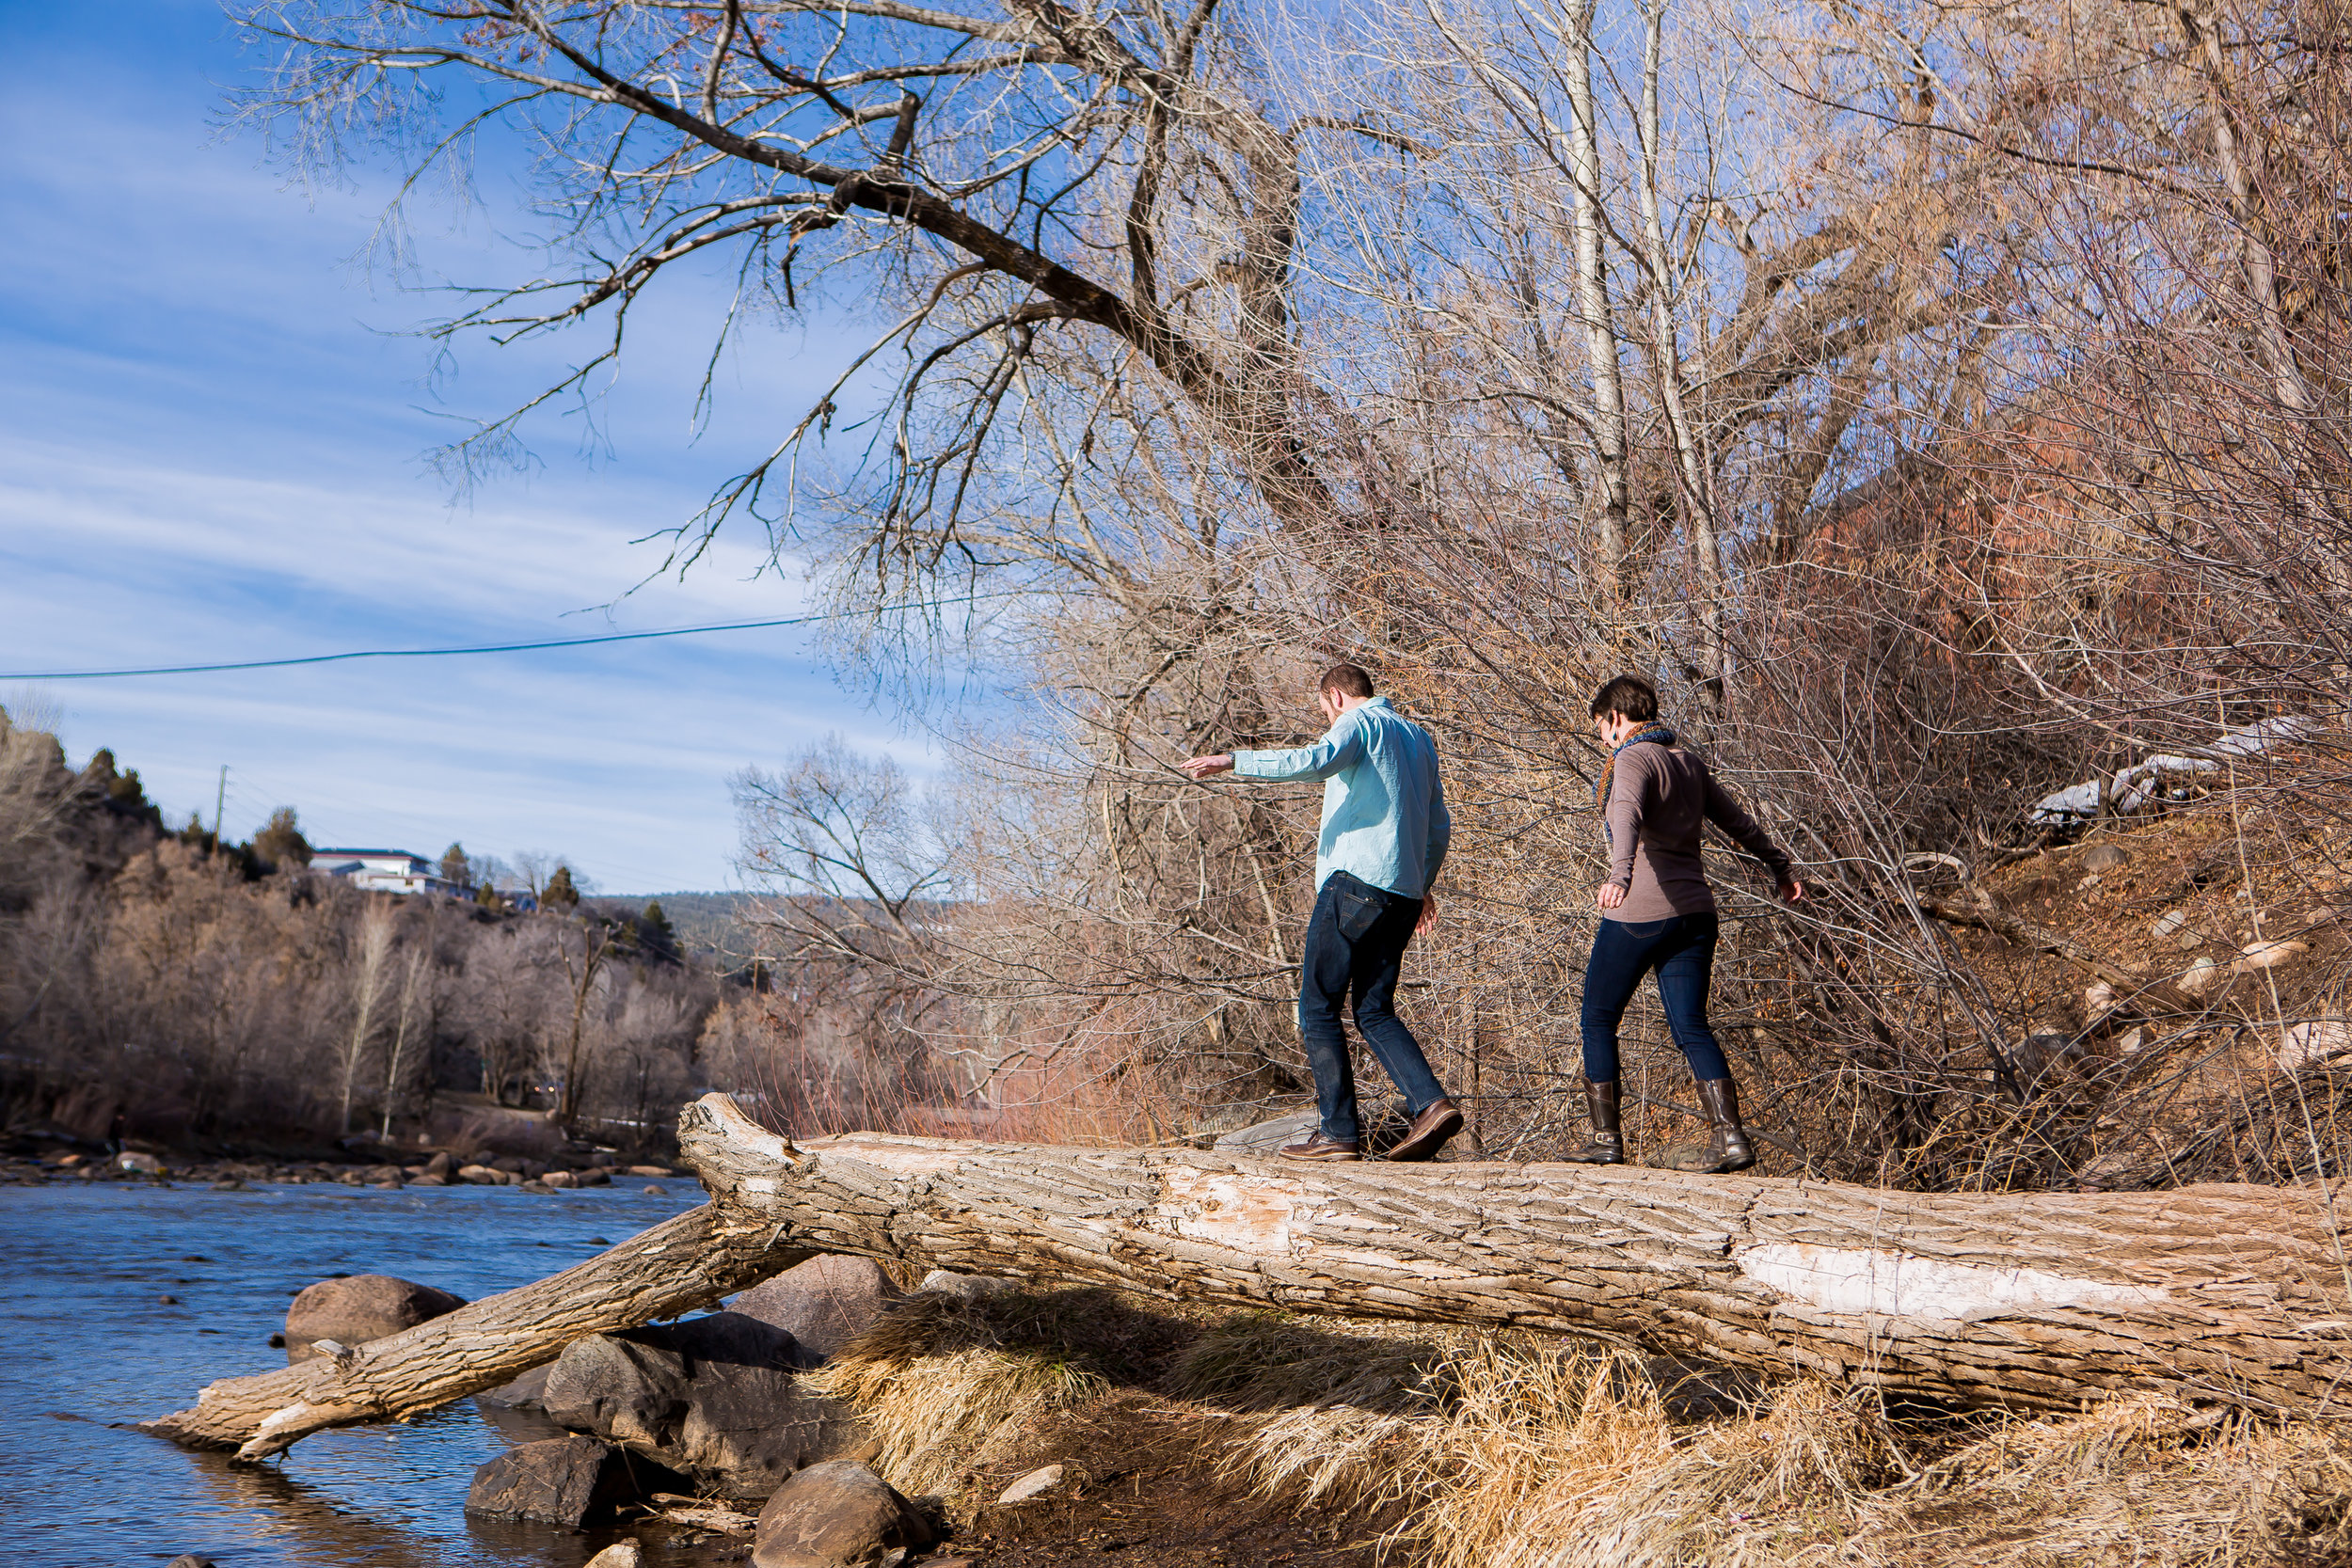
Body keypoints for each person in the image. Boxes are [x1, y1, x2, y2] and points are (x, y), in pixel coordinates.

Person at [1181, 663, 1463, 1163]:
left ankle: (1338, 1133)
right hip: (1402, 895)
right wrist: (1422, 885)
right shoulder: (1420, 739)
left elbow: (1314, 760)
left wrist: (1232, 760)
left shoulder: (1359, 724)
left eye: (1323, 711)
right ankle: (1432, 1104)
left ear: (1334, 696)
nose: (1326, 720)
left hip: (1354, 887)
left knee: (1316, 1008)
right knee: (1373, 1009)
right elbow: (1438, 824)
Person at [1566, 674, 1803, 1173]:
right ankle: (1730, 1137)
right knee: (1692, 1025)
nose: (1601, 743)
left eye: (1599, 731)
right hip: (1695, 914)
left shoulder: (1630, 757)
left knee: (1598, 1018)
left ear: (1614, 720)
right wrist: (1779, 867)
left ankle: (1605, 1139)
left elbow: (1626, 813)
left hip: (1639, 914)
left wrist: (1620, 875)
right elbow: (1738, 822)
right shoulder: (1688, 762)